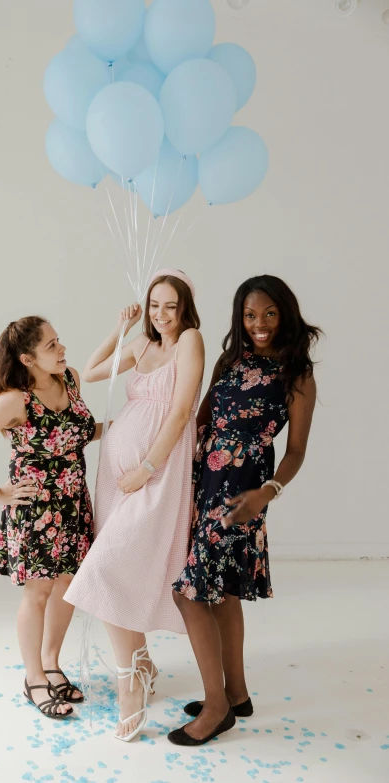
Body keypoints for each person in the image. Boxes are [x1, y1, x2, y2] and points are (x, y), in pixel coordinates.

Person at [170, 275, 321, 747]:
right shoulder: (230, 360)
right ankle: (236, 695)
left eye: (270, 314)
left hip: (242, 493)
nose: (259, 324)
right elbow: (201, 420)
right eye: (250, 315)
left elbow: (295, 451)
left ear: (286, 315)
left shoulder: (297, 375)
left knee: (190, 594)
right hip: (205, 482)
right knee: (222, 593)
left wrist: (267, 493)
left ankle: (216, 709)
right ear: (240, 317)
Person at [64, 269, 204, 742]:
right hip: (114, 476)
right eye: (153, 305)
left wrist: (147, 466)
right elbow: (88, 370)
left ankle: (130, 680)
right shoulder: (142, 345)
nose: (161, 315)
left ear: (184, 307)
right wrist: (119, 327)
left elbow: (182, 410)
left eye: (170, 306)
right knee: (111, 570)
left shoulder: (190, 341)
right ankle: (139, 662)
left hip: (154, 474)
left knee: (105, 569)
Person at [0, 316, 99, 720]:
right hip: (36, 511)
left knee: (68, 585)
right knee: (38, 593)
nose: (62, 349)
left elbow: (77, 432)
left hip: (73, 504)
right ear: (27, 358)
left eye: (59, 340)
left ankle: (51, 663)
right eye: (52, 345)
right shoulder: (14, 400)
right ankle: (33, 678)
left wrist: (132, 429)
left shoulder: (69, 378)